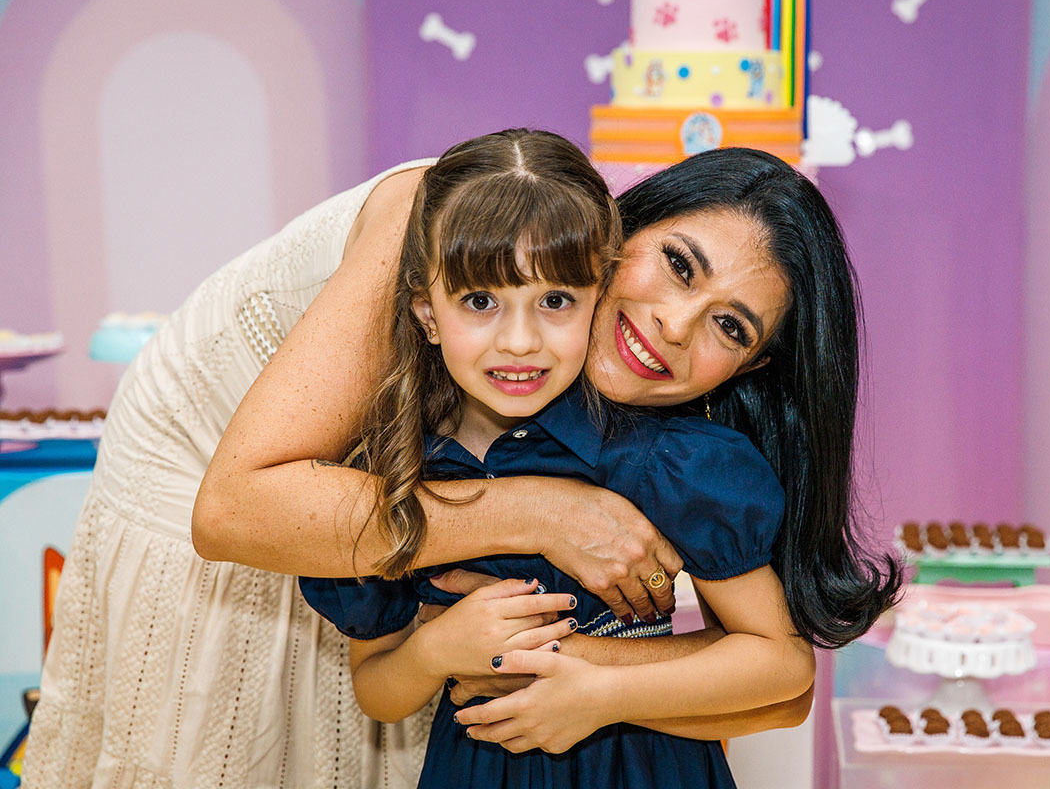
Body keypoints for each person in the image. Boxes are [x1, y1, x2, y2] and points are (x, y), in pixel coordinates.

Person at [294, 130, 812, 787]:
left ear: (593, 287)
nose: (519, 341)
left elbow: (782, 663)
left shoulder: (665, 461)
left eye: (556, 302)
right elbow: (378, 686)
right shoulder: (386, 469)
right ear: (427, 313)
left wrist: (599, 692)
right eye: (481, 301)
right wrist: (434, 650)